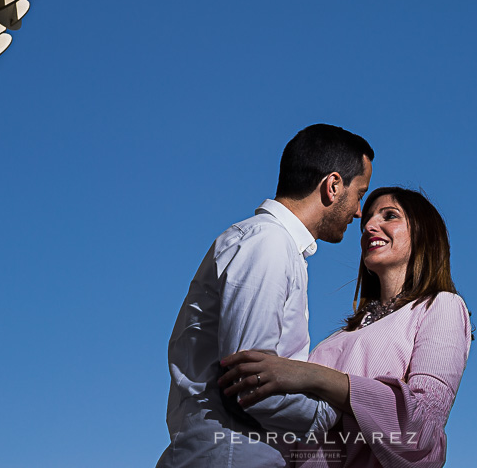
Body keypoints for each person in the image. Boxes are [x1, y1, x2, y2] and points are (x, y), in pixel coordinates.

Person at [156, 124, 375, 468]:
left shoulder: (278, 247)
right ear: (333, 186)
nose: (359, 211)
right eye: (359, 194)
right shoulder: (268, 244)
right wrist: (344, 408)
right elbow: (249, 386)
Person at [219, 187, 471, 468]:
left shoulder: (441, 306)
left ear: (424, 233)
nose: (370, 226)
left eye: (389, 216)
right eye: (367, 222)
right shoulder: (337, 337)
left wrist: (313, 376)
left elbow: (422, 427)